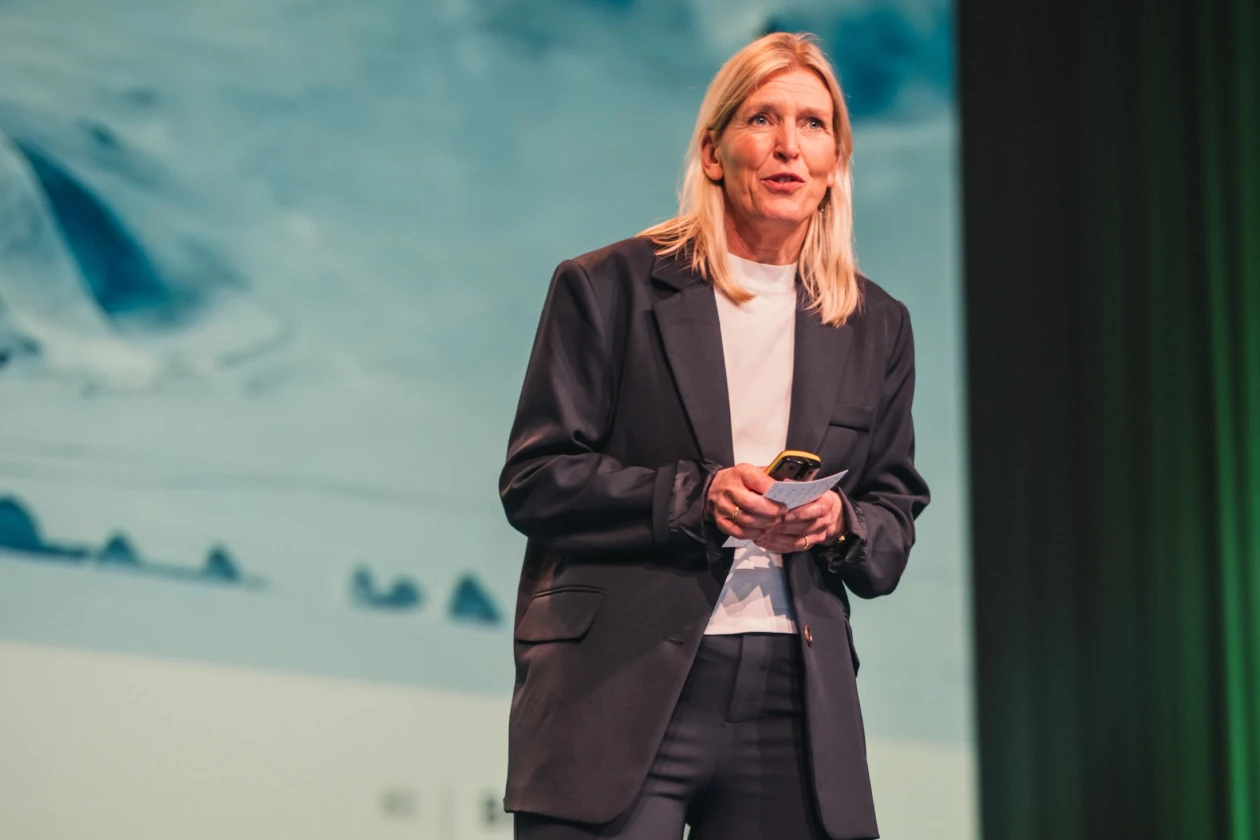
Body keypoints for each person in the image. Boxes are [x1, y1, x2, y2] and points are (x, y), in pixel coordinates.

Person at [499, 31, 930, 840]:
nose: (788, 145)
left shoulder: (875, 324)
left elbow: (892, 518)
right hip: (617, 687)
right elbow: (537, 480)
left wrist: (838, 522)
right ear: (712, 152)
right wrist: (699, 500)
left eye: (813, 124)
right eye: (762, 118)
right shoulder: (607, 288)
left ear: (835, 161)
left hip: (794, 705)